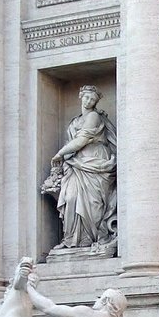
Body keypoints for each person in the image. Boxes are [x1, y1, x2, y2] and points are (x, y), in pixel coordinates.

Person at [45, 85, 117, 250]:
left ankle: (90, 239)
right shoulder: (75, 121)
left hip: (95, 161)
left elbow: (82, 140)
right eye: (87, 97)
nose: (89, 101)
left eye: (93, 99)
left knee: (92, 203)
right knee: (71, 198)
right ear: (80, 96)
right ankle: (71, 239)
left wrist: (60, 154)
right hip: (76, 164)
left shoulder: (94, 117)